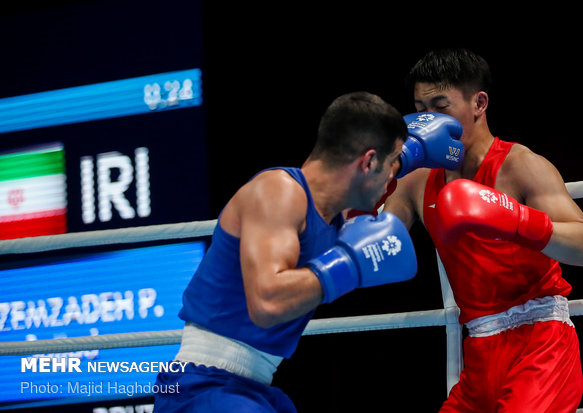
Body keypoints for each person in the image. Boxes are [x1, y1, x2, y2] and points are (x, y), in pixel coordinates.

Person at [154, 91, 429, 413]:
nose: (394, 174)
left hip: (251, 388)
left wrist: (409, 155)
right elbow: (267, 302)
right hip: (201, 386)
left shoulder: (335, 217)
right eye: (393, 163)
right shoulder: (279, 192)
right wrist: (347, 265)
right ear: (368, 162)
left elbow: (380, 226)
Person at [383, 48, 583, 412]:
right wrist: (378, 179)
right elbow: (377, 248)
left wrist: (516, 220)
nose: (427, 121)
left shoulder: (520, 166)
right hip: (479, 357)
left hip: (542, 344)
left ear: (479, 103)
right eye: (420, 111)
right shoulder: (415, 182)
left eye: (440, 106)